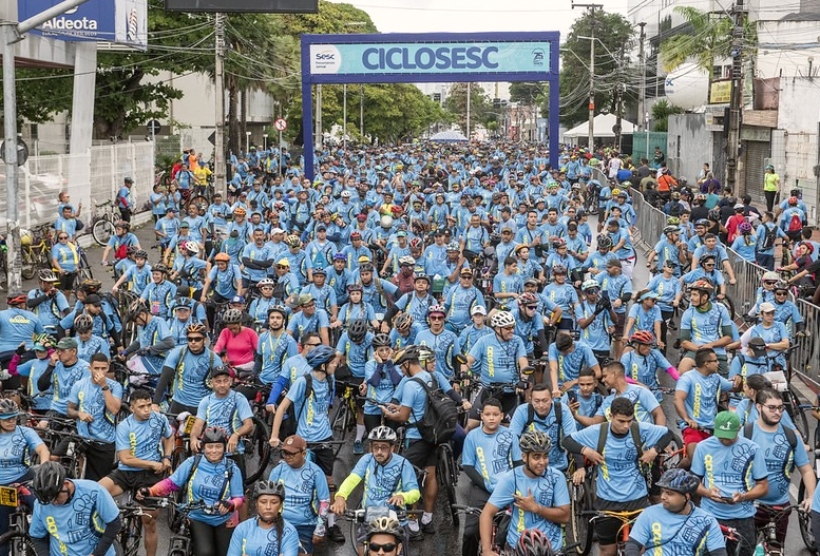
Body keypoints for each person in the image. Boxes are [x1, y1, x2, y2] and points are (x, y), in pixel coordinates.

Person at [563, 398, 675, 556]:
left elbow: (667, 434)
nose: (626, 426)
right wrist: (586, 451)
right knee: (608, 551)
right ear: (610, 415)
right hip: (607, 501)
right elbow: (567, 441)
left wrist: (654, 451)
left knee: (639, 549)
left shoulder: (638, 429)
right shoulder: (598, 432)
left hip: (637, 499)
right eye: (621, 421)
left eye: (629, 421)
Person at [138, 427, 245, 556]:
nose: (214, 451)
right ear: (203, 447)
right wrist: (151, 491)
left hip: (224, 519)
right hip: (198, 516)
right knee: (205, 552)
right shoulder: (193, 463)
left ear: (225, 447)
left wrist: (231, 505)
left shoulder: (232, 468)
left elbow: (239, 498)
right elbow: (171, 483)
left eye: (218, 447)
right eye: (210, 447)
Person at [99, 388, 174, 556]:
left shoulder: (160, 419)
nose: (147, 410)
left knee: (149, 522)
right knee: (98, 491)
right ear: (132, 408)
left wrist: (167, 457)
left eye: (148, 405)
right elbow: (125, 459)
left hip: (149, 477)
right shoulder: (124, 427)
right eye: (141, 407)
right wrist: (152, 464)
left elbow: (169, 436)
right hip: (127, 472)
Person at [691, 411, 769, 556]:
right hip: (711, 515)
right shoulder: (703, 447)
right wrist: (708, 493)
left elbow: (763, 486)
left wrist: (744, 496)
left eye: (729, 437)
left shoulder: (752, 449)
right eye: (721, 436)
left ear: (739, 429)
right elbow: (694, 481)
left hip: (743, 517)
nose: (725, 441)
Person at [480, 431, 570, 556]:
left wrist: (536, 508)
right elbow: (487, 513)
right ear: (524, 457)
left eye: (545, 456)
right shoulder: (511, 479)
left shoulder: (557, 477)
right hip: (517, 547)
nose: (542, 462)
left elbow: (565, 516)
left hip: (551, 547)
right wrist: (486, 550)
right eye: (536, 457)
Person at [745, 388, 815, 545]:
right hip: (749, 506)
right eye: (772, 407)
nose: (777, 412)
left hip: (780, 508)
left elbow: (806, 470)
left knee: (777, 549)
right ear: (759, 407)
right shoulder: (746, 433)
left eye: (780, 408)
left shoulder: (791, 437)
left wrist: (811, 497)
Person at [331, 426, 420, 547]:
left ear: (392, 448)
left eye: (383, 448)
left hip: (395, 520)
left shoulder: (403, 464)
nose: (378, 452)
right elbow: (352, 479)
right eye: (375, 447)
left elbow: (415, 493)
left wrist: (403, 497)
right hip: (369, 518)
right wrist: (341, 497)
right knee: (362, 548)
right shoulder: (367, 460)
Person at [626, 469, 727, 556]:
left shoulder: (707, 521)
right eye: (662, 491)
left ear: (686, 497)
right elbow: (633, 545)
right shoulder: (649, 514)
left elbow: (719, 553)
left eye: (669, 493)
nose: (663, 497)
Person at [29, 461, 121, 556]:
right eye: (49, 500)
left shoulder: (94, 491)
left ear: (66, 484)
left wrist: (97, 554)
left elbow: (114, 524)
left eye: (56, 498)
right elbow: (38, 537)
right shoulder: (41, 504)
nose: (54, 503)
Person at [461, 398, 515, 556]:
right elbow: (468, 466)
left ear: (502, 416)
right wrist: (486, 484)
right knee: (470, 533)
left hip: (507, 489)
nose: (491, 418)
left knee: (509, 532)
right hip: (482, 488)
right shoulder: (472, 436)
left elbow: (518, 463)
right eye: (488, 414)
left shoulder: (510, 435)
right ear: (481, 416)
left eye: (495, 414)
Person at [675, 348, 741, 465]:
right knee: (694, 460)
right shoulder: (687, 378)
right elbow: (678, 399)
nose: (718, 363)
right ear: (706, 364)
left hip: (713, 428)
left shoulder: (716, 377)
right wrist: (687, 419)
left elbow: (735, 387)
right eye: (715, 361)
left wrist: (739, 380)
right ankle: (673, 477)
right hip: (694, 428)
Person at [268, 434, 333, 552]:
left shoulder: (316, 472)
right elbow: (268, 498)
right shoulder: (277, 470)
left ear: (304, 453)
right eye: (285, 453)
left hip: (305, 526)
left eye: (292, 453)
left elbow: (324, 501)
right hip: (280, 524)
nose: (287, 457)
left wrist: (319, 529)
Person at [0, 399, 50, 548]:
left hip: (23, 478)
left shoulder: (25, 431)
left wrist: (44, 466)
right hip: (2, 485)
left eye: (14, 417)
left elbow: (42, 450)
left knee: (40, 506)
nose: (11, 421)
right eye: (6, 419)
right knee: (2, 528)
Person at [66, 353, 123, 480]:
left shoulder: (115, 386)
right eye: (96, 368)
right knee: (59, 458)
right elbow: (70, 410)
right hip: (82, 437)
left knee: (100, 481)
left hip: (104, 441)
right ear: (90, 368)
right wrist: (79, 414)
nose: (100, 372)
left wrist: (104, 386)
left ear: (108, 368)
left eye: (103, 368)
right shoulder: (79, 385)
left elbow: (114, 410)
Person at [227, 480, 300, 556]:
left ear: (281, 505)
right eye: (263, 502)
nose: (268, 507)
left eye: (274, 502)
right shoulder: (242, 529)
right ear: (256, 504)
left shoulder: (290, 532)